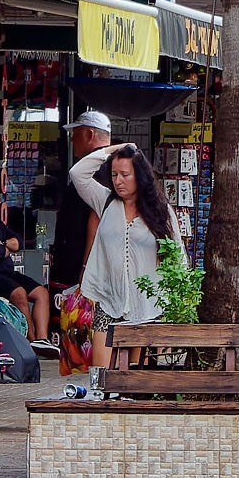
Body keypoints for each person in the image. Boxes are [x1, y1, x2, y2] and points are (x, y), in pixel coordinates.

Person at [79, 143, 175, 365]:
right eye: (114, 175)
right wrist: (115, 149)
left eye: (125, 174)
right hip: (109, 300)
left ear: (139, 176)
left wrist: (171, 305)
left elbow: (176, 256)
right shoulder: (105, 201)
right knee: (100, 375)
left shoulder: (161, 211)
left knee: (134, 377)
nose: (118, 181)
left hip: (147, 307)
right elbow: (78, 173)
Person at [47, 111, 116, 373]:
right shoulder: (103, 166)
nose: (72, 141)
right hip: (79, 260)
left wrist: (87, 264)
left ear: (88, 134)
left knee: (88, 318)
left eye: (75, 135)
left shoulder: (95, 168)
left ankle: (92, 369)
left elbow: (95, 217)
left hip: (82, 263)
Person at [0, 181, 52, 347]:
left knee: (41, 292)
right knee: (19, 293)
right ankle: (30, 342)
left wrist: (2, 244)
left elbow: (18, 242)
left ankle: (42, 340)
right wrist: (5, 246)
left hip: (7, 275)